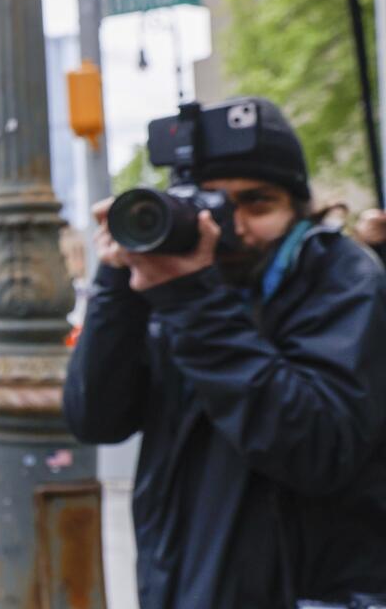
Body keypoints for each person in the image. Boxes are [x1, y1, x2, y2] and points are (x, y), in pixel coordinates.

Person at [64, 97, 386, 608]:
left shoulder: (340, 276)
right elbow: (95, 419)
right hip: (178, 585)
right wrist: (118, 284)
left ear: (299, 208)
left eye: (258, 204)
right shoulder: (166, 281)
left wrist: (193, 302)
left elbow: (319, 448)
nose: (233, 227)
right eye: (211, 204)